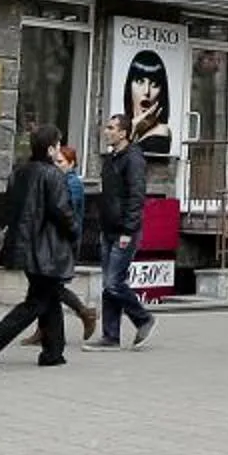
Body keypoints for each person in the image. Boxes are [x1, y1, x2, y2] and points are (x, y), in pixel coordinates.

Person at [0, 130, 79, 368]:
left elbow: (11, 208)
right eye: (56, 145)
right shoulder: (53, 175)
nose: (58, 149)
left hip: (24, 244)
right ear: (49, 149)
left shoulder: (19, 173)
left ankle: (53, 352)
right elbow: (61, 211)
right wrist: (74, 230)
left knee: (50, 296)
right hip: (47, 247)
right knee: (36, 301)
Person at [95, 113, 155, 348]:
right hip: (108, 228)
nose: (107, 131)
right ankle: (110, 335)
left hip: (124, 231)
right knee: (108, 285)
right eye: (106, 128)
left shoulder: (133, 159)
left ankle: (143, 318)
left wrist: (128, 230)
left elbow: (136, 196)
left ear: (123, 133)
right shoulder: (111, 158)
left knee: (113, 282)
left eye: (111, 128)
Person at [55, 142, 102, 342]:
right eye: (55, 161)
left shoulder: (72, 183)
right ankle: (45, 330)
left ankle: (84, 312)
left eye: (61, 162)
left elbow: (67, 210)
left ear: (71, 163)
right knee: (44, 287)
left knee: (52, 285)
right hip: (59, 238)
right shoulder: (60, 180)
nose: (57, 165)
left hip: (65, 240)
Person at [121, 51, 171, 153]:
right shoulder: (132, 126)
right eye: (140, 81)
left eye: (154, 84)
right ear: (129, 87)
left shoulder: (160, 135)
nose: (146, 91)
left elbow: (123, 162)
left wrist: (134, 128)